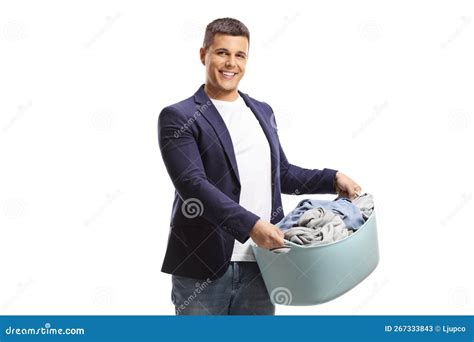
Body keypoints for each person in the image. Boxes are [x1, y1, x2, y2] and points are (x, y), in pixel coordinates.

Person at [157, 17, 361, 315]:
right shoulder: (179, 116)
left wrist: (332, 179)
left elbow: (282, 175)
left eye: (240, 55)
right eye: (222, 53)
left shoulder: (261, 112)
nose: (231, 63)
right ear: (204, 55)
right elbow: (192, 184)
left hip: (262, 264)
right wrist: (251, 226)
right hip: (203, 266)